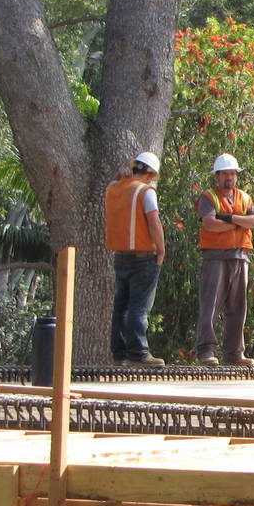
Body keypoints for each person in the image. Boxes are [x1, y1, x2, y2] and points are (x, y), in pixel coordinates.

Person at [194, 152, 254, 367]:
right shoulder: (208, 197)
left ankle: (235, 353)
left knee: (239, 306)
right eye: (224, 174)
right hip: (215, 256)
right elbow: (210, 224)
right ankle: (206, 351)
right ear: (217, 176)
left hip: (240, 256)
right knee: (211, 304)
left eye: (232, 174)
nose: (229, 178)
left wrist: (231, 219)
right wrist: (239, 224)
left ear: (236, 176)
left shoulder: (245, 197)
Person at [105, 150, 166, 367]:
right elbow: (154, 222)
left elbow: (115, 179)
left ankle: (119, 353)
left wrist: (121, 174)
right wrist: (161, 249)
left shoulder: (113, 188)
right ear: (150, 175)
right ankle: (139, 353)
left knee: (120, 306)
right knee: (139, 307)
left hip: (120, 255)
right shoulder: (145, 192)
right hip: (143, 256)